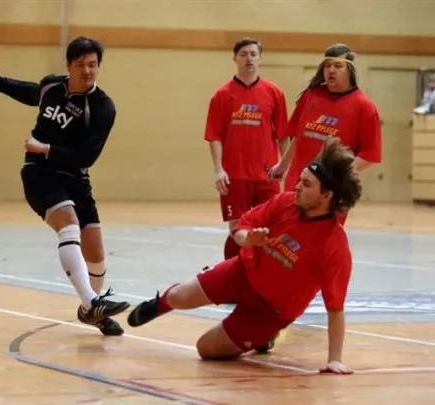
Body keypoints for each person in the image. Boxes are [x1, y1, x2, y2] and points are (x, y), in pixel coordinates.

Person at [128, 137, 362, 375]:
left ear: (326, 196)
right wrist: (247, 239)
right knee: (178, 297)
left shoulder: (335, 245)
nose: (298, 186)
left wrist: (335, 359)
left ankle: (264, 336)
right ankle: (159, 304)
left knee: (206, 349)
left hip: (268, 312)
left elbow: (335, 308)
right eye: (300, 180)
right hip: (241, 272)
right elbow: (242, 227)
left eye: (307, 184)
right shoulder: (285, 202)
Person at [0, 36, 129, 336]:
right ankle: (91, 302)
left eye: (93, 65)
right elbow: (32, 93)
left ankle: (92, 312)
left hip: (75, 177)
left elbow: (88, 156)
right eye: (81, 65)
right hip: (40, 172)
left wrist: (46, 147)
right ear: (69, 65)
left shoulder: (102, 107)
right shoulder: (52, 86)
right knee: (69, 225)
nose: (87, 71)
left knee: (96, 253)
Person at [204, 38, 290, 260]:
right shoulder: (222, 95)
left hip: (267, 174)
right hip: (235, 175)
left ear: (260, 59)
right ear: (235, 59)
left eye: (253, 54)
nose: (249, 58)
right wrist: (218, 170)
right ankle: (232, 270)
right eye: (243, 54)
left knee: (269, 227)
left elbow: (283, 136)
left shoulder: (274, 93)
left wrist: (284, 166)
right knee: (238, 229)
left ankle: (263, 273)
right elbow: (214, 137)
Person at [269, 44, 381, 199]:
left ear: (350, 70)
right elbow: (299, 137)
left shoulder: (364, 107)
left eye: (338, 66)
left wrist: (337, 175)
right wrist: (283, 165)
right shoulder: (311, 95)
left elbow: (369, 156)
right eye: (327, 66)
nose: (331, 70)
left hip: (329, 190)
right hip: (296, 183)